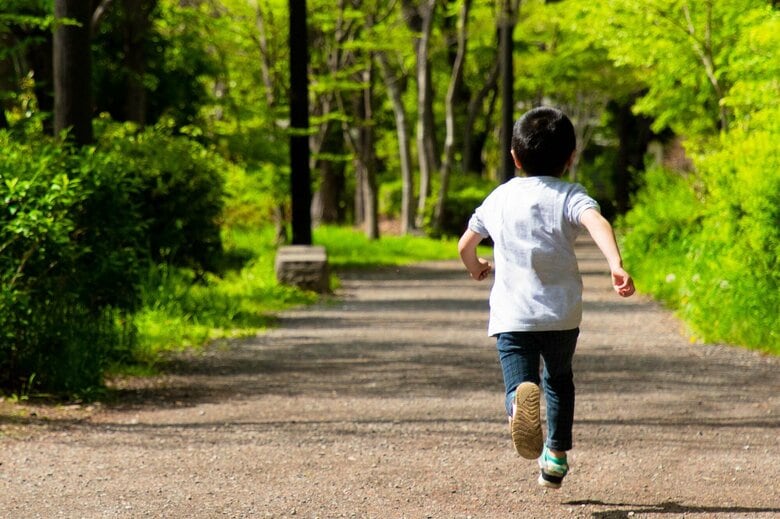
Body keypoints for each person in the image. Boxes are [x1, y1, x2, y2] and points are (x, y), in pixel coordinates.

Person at [457, 106, 635, 489]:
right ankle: (555, 455)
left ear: (515, 157)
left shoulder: (500, 197)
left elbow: (465, 244)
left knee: (520, 384)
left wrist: (476, 267)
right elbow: (596, 222)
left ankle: (517, 407)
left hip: (513, 316)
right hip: (561, 315)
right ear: (570, 158)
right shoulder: (569, 195)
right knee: (559, 380)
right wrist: (615, 263)